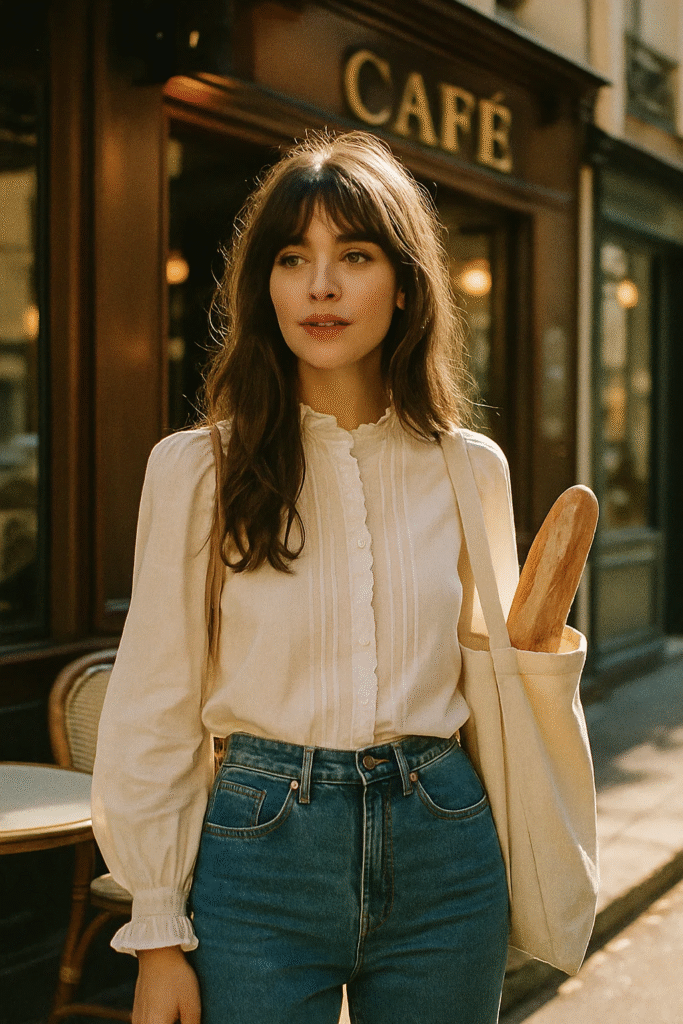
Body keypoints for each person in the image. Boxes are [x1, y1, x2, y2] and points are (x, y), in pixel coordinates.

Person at [91, 130, 523, 1024]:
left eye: (353, 256)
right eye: (294, 259)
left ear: (403, 286)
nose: (320, 285)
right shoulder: (199, 469)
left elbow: (497, 685)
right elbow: (153, 701)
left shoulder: (468, 468)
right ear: (267, 287)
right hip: (259, 854)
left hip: (443, 839)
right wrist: (158, 930)